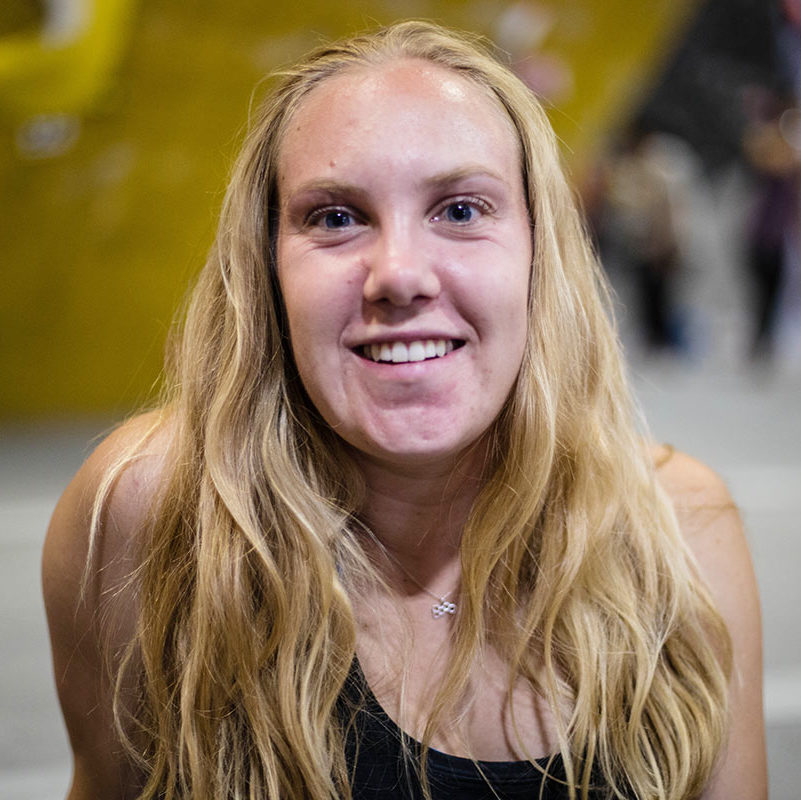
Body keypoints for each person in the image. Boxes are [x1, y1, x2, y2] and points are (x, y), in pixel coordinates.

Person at [42, 20, 766, 800]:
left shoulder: (679, 533)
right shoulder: (150, 513)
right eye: (335, 217)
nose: (398, 274)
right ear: (267, 273)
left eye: (459, 210)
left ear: (538, 251)